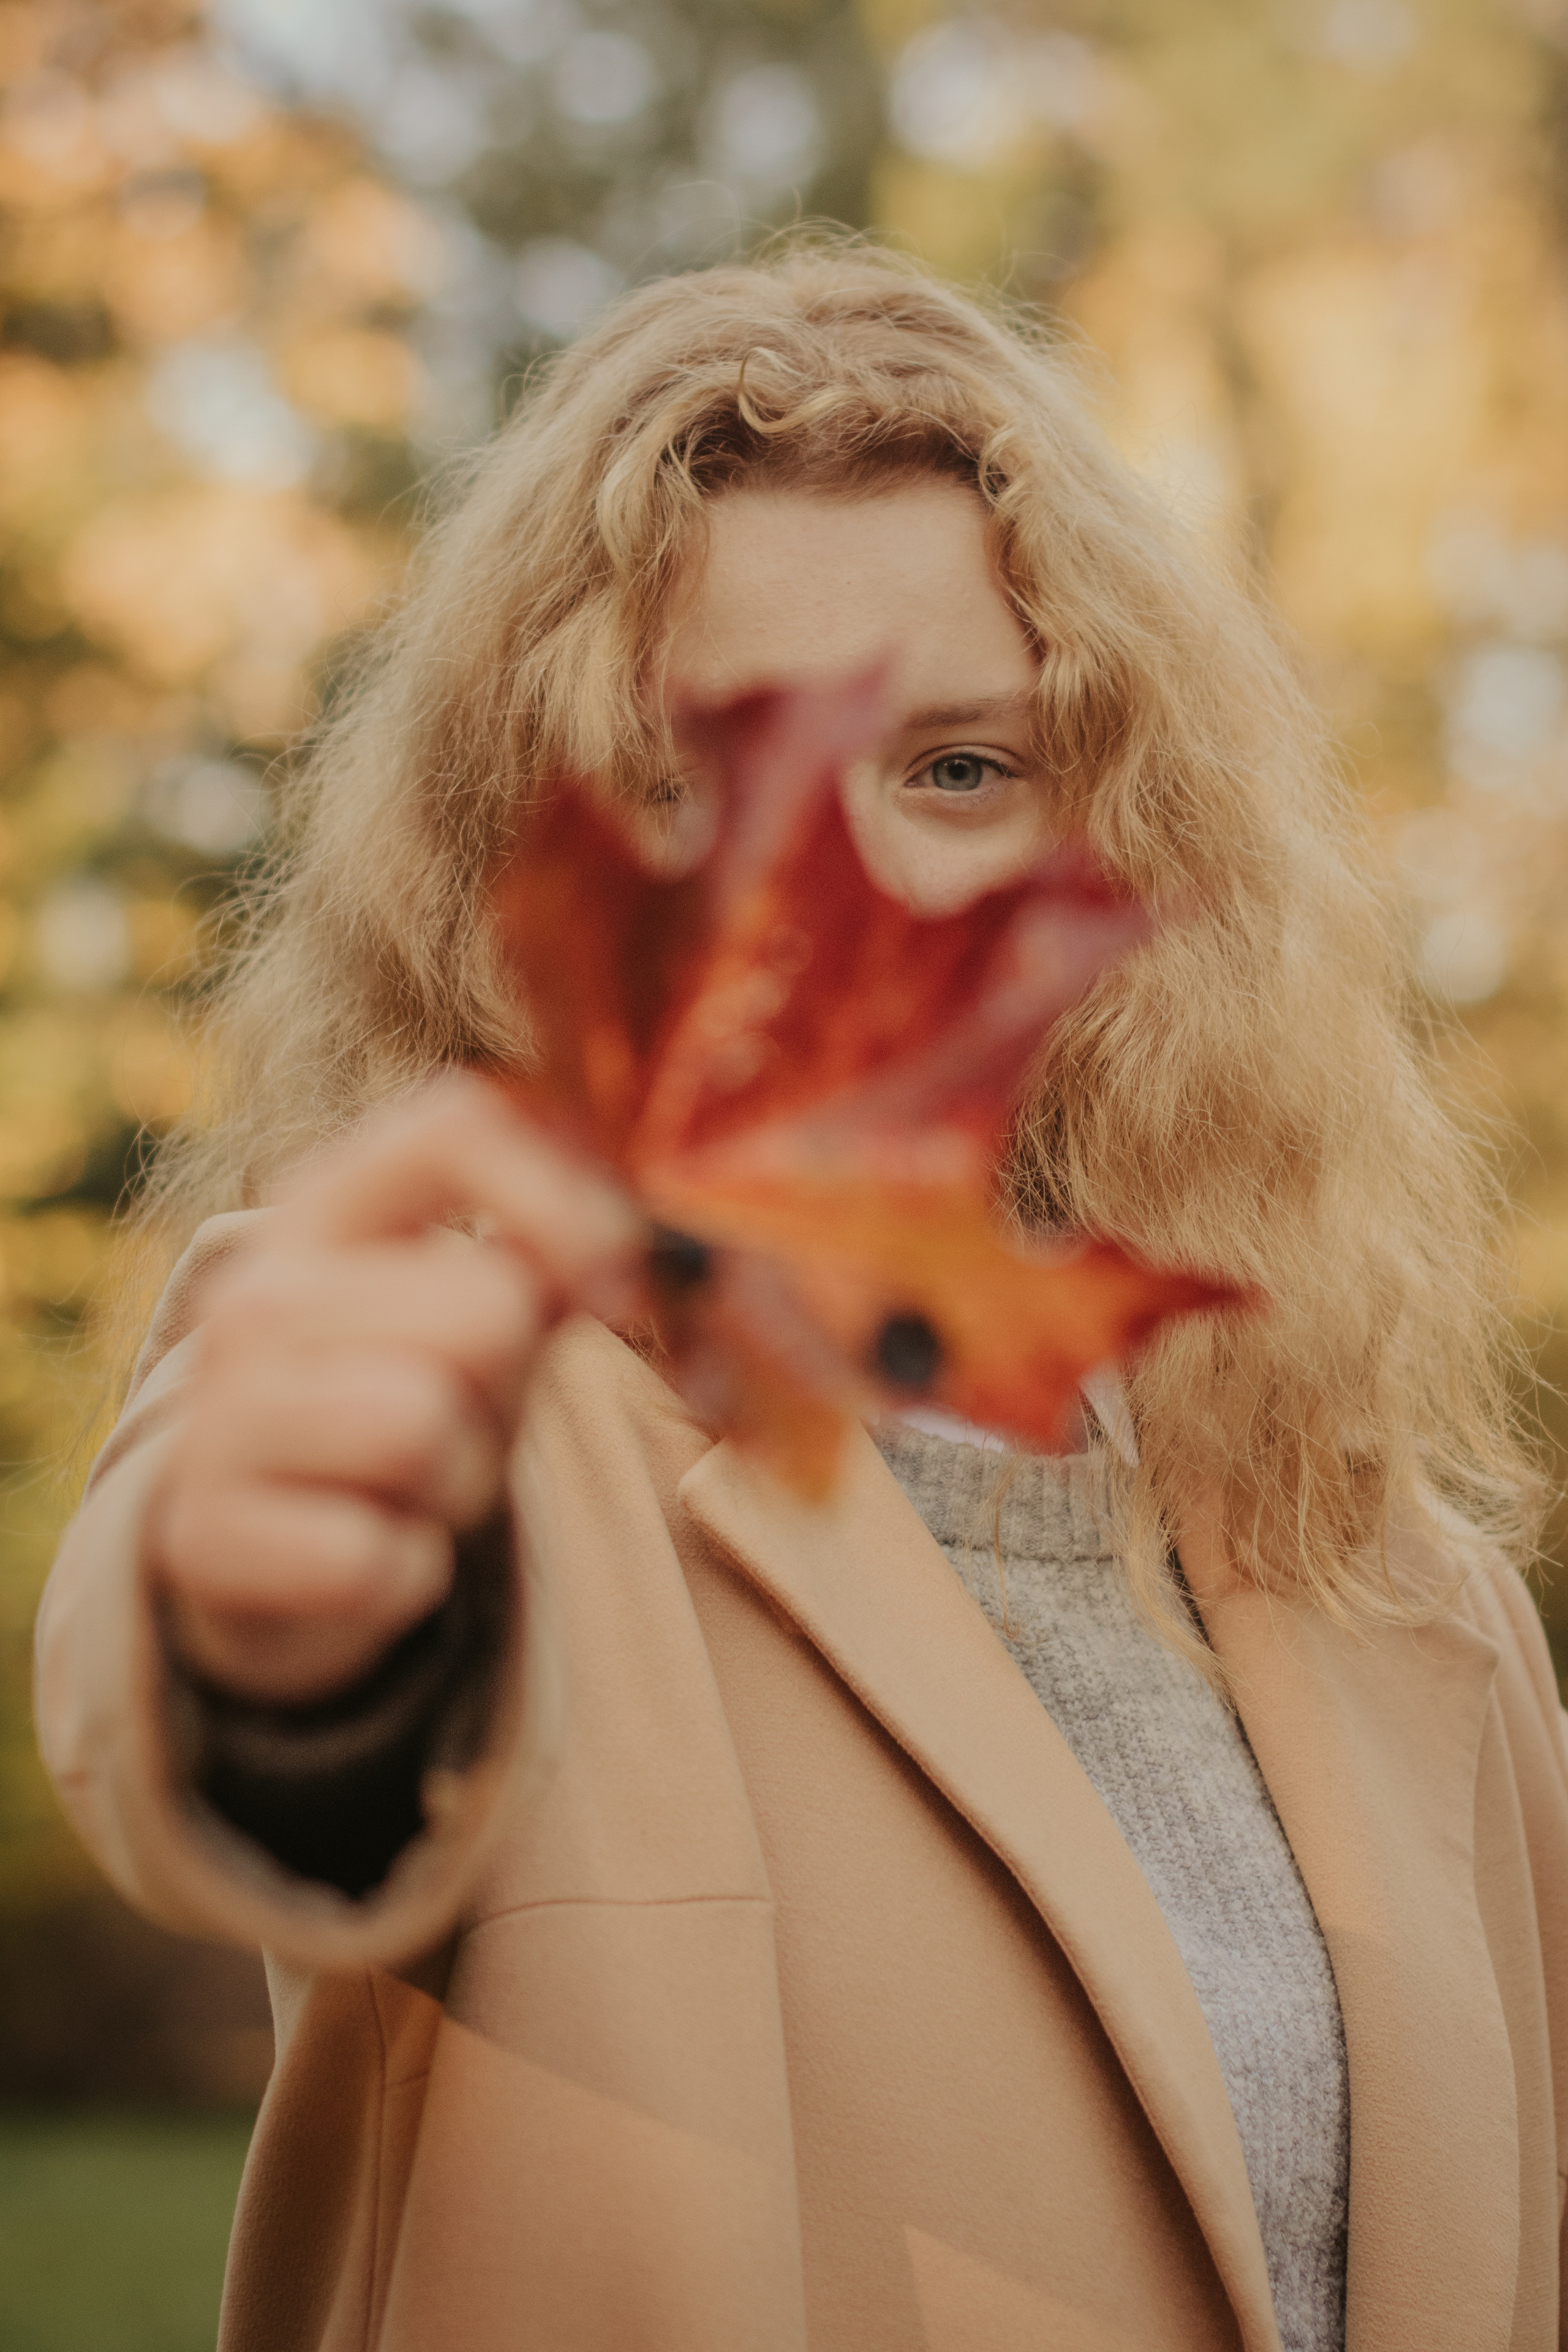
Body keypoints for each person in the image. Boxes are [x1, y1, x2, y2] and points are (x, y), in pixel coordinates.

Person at [34, 243, 1568, 2352]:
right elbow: (239, 1735)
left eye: (960, 771)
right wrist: (279, 1640)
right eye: (689, 780)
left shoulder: (1399, 1578)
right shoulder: (471, 1411)